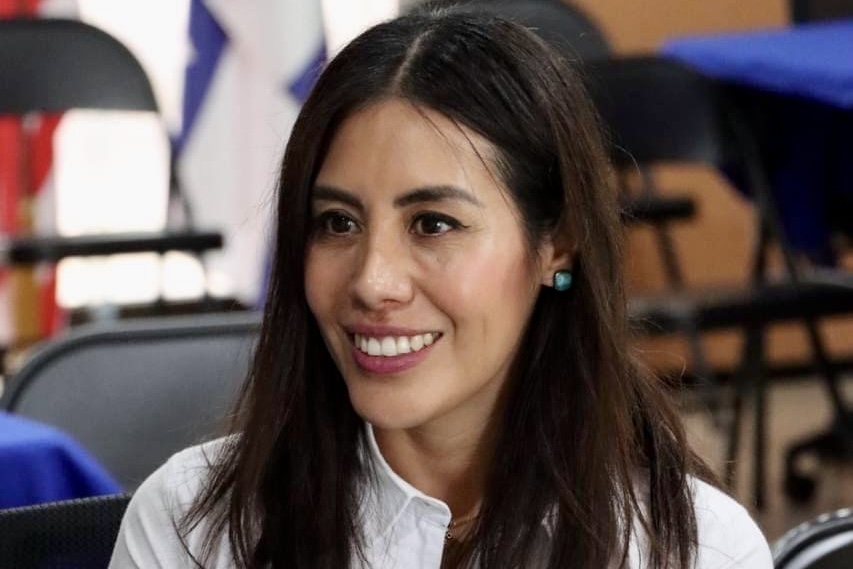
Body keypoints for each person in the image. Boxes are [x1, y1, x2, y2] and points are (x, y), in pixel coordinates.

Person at [109, 6, 773, 569]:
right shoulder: (191, 529)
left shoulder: (697, 549)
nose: (373, 281)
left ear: (557, 244)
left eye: (433, 224)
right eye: (337, 222)